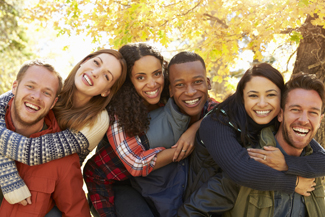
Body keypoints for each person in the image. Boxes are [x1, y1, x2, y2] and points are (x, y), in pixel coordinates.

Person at [83, 47, 215, 217]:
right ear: (129, 82)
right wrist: (181, 149)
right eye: (140, 77)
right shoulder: (117, 113)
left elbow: (212, 107)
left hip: (147, 182)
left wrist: (193, 130)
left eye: (157, 74)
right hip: (111, 182)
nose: (152, 83)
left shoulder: (171, 93)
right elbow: (136, 165)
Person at [178, 64, 325, 216]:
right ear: (242, 97)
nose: (262, 103)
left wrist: (286, 163)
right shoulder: (218, 124)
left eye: (270, 95)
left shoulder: (275, 120)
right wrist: (293, 183)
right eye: (253, 95)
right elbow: (241, 171)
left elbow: (318, 154)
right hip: (197, 194)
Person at [0, 49, 127, 206]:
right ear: (84, 61)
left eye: (106, 76)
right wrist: (7, 173)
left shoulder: (97, 120)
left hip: (47, 191)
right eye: (96, 63)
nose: (95, 73)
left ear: (107, 91)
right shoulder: (51, 84)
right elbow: (6, 102)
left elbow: (30, 151)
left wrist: (8, 178)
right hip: (15, 175)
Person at [223, 72, 325, 216]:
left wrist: (286, 163)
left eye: (313, 113)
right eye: (295, 110)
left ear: (320, 120)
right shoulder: (249, 158)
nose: (303, 120)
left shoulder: (315, 170)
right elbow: (197, 209)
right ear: (280, 114)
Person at [0, 60, 90, 216]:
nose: (36, 97)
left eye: (46, 93)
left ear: (53, 103)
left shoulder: (63, 161)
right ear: (14, 87)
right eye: (30, 86)